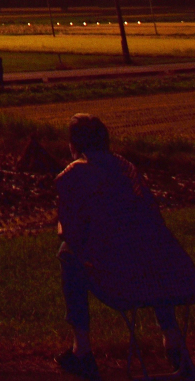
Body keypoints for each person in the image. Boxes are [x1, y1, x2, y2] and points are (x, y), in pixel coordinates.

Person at [55, 114, 195, 381]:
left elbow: (71, 235)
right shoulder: (127, 168)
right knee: (148, 247)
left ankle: (82, 350)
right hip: (173, 279)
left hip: (121, 284)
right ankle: (173, 340)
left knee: (66, 255)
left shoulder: (71, 176)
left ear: (73, 145)